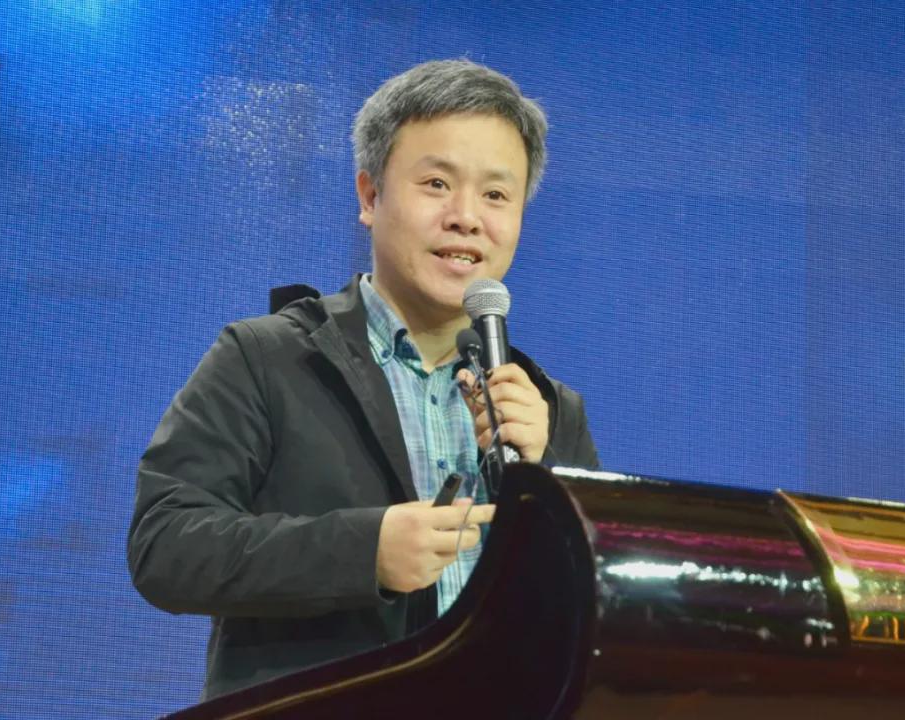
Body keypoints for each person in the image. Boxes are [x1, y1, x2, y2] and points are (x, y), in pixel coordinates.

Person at [127, 59, 599, 702]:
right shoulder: (267, 359)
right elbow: (165, 546)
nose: (466, 217)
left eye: (496, 195)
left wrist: (548, 477)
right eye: (437, 183)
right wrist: (364, 551)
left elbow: (595, 609)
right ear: (371, 197)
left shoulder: (547, 410)